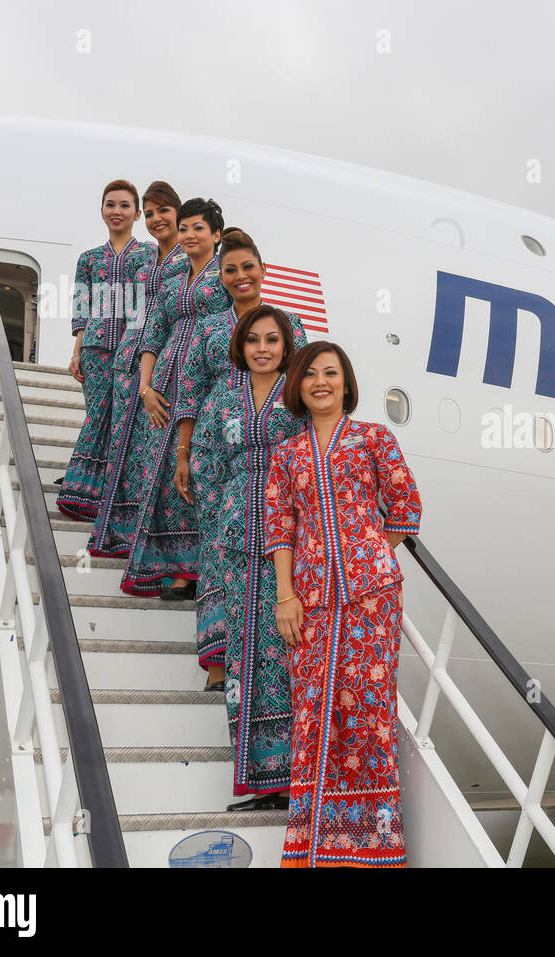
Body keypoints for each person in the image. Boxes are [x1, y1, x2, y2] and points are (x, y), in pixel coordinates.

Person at [266, 341, 422, 867]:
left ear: (346, 383)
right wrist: (286, 594)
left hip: (371, 600)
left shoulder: (374, 438)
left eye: (330, 373)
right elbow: (279, 525)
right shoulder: (287, 454)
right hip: (307, 601)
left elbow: (406, 508)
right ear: (299, 386)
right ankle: (313, 846)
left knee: (367, 712)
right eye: (310, 374)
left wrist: (368, 556)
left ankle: (372, 847)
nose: (320, 382)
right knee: (313, 714)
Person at [173, 228, 308, 688]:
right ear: (221, 277)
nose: (239, 276)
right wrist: (185, 453)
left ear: (263, 271)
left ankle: (267, 670)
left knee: (275, 566)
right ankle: (218, 663)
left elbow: (305, 386)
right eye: (229, 270)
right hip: (222, 449)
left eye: (247, 267)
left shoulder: (289, 323)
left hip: (275, 449)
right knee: (217, 557)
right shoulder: (210, 327)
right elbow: (189, 390)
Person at [203, 306, 306, 810]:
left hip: (289, 542)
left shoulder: (299, 393)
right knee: (245, 659)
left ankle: (299, 777)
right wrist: (220, 514)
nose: (262, 348)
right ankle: (264, 781)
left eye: (272, 340)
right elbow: (205, 457)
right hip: (234, 540)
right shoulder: (224, 395)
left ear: (286, 346)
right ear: (240, 346)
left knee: (285, 655)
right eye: (253, 341)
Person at [120, 198, 230, 600]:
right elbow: (152, 333)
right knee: (163, 472)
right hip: (163, 382)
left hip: (204, 381)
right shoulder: (172, 280)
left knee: (193, 472)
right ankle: (165, 566)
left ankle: (192, 573)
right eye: (183, 228)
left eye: (198, 228)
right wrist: (145, 388)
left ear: (216, 235)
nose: (188, 235)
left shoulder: (225, 277)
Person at [89, 181, 187, 557]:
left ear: (177, 212)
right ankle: (121, 534)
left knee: (150, 457)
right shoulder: (147, 261)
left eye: (163, 210)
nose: (156, 219)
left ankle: (150, 542)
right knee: (122, 451)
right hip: (127, 363)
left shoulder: (186, 259)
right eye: (150, 213)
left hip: (161, 367)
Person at [58, 179, 154, 519]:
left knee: (122, 422)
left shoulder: (149, 256)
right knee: (97, 416)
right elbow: (81, 306)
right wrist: (76, 351)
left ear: (137, 213)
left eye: (124, 205)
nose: (117, 211)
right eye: (110, 204)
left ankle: (108, 493)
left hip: (132, 351)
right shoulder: (89, 258)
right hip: (96, 349)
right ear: (102, 210)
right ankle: (83, 491)